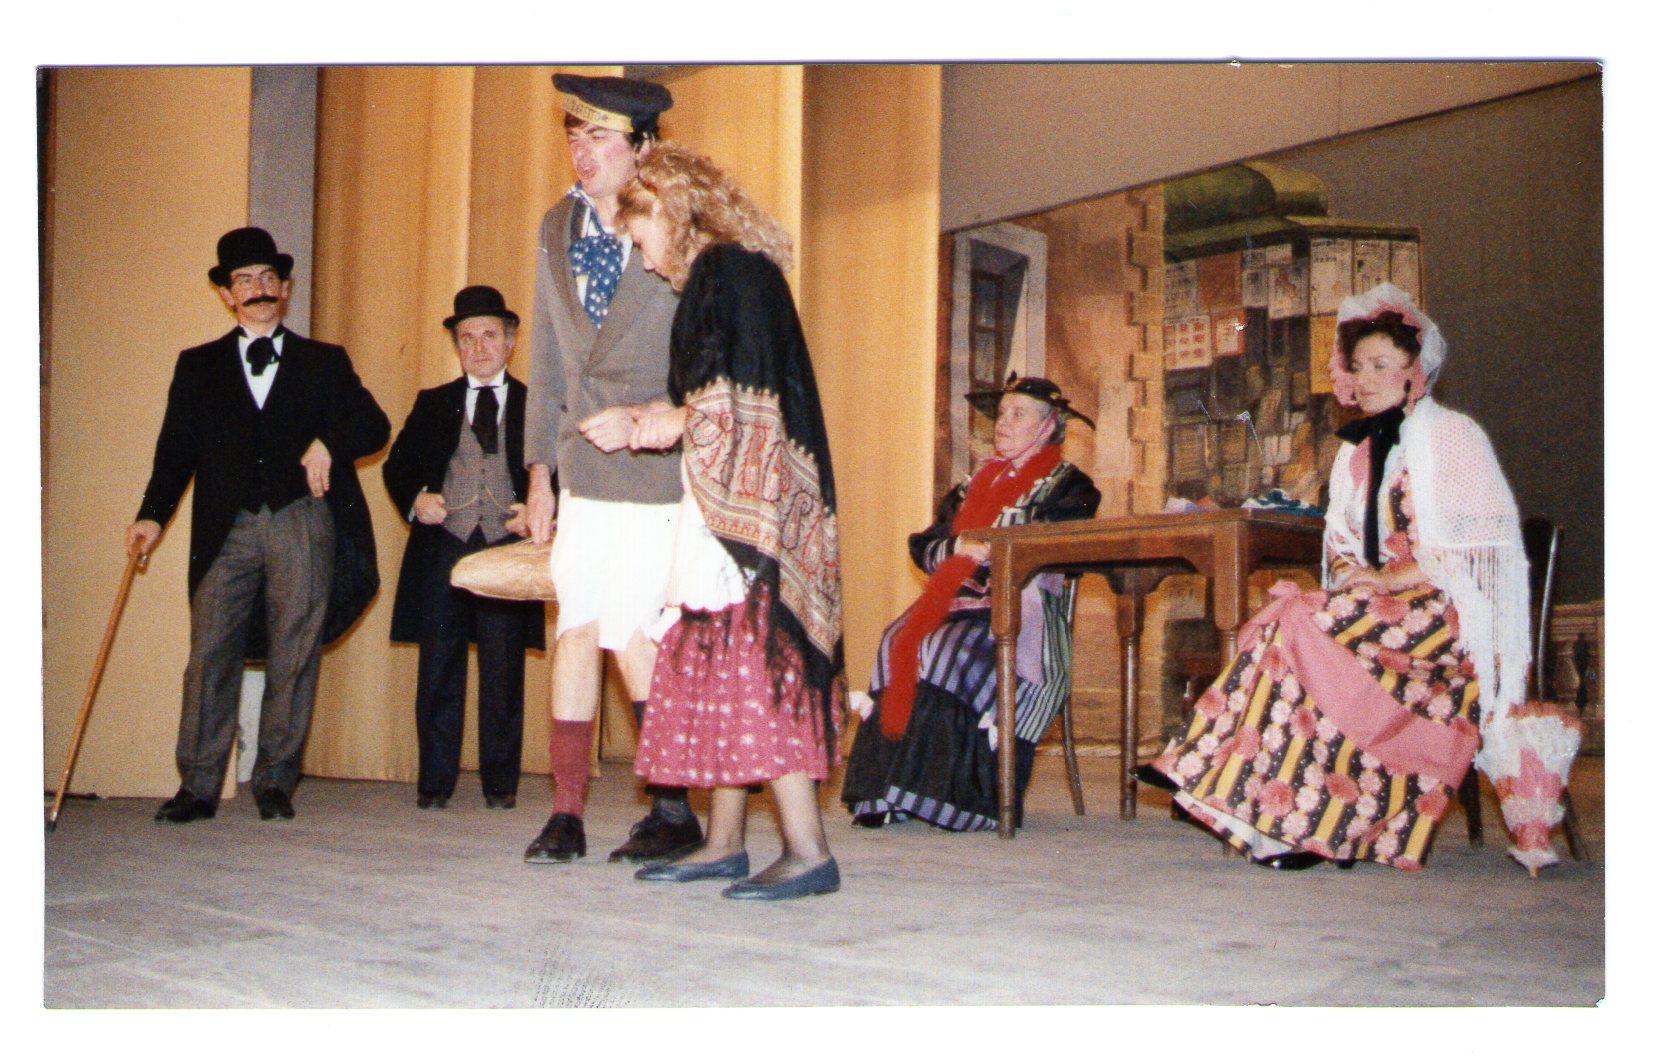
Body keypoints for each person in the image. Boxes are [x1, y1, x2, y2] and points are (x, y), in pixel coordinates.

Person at [1141, 282, 1531, 871]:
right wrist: (1352, 574)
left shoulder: (1452, 437)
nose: (1365, 378)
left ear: (1414, 370)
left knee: (1300, 623)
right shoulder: (1355, 454)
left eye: (1381, 364)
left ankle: (1225, 777)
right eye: (1358, 366)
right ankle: (1274, 811)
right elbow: (1343, 544)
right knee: (1292, 619)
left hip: (1450, 617)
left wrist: (1388, 581)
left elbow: (1477, 552)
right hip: (1383, 607)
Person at [612, 142, 846, 900]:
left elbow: (734, 403)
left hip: (748, 511)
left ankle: (808, 850)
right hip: (739, 498)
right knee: (718, 661)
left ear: (668, 212)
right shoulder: (738, 274)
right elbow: (729, 392)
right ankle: (722, 842)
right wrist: (656, 415)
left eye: (639, 236)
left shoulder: (724, 274)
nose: (644, 259)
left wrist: (663, 423)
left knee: (753, 668)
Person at [127, 226, 389, 824]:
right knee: (209, 653)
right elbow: (174, 452)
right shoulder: (197, 366)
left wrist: (329, 443)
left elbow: (374, 425)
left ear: (286, 288)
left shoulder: (324, 361)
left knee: (294, 651)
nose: (259, 289)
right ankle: (198, 785)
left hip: (303, 519)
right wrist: (151, 515)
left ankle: (274, 779)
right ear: (227, 294)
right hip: (227, 528)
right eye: (244, 280)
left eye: (269, 278)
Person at [520, 74, 702, 865]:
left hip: (655, 463)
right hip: (580, 464)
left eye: (599, 137)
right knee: (577, 627)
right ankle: (565, 811)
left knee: (633, 630)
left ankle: (672, 805)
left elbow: (707, 349)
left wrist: (667, 418)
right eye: (574, 135)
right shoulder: (555, 224)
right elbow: (548, 357)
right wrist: (538, 471)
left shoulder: (676, 224)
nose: (581, 151)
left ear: (643, 148)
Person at [840, 376, 1100, 832]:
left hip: (1020, 610)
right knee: (897, 639)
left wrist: (994, 549)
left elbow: (1061, 548)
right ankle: (886, 790)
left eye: (1018, 414)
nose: (1004, 423)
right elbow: (925, 542)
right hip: (958, 603)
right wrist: (959, 546)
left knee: (946, 650)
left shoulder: (1071, 486)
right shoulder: (974, 482)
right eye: (1002, 413)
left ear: (1048, 426)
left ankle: (950, 798)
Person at [382, 286, 544, 810]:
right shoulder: (433, 402)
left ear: (510, 342)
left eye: (489, 335)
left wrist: (539, 509)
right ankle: (435, 784)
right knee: (438, 667)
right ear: (456, 346)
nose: (478, 347)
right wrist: (416, 499)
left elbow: (561, 473)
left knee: (503, 668)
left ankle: (501, 785)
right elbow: (397, 466)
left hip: (505, 548)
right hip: (444, 546)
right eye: (467, 338)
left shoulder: (536, 404)